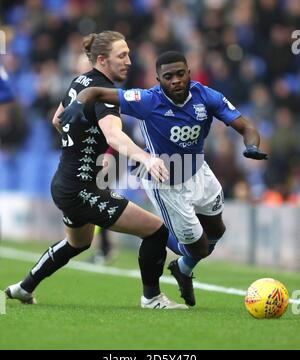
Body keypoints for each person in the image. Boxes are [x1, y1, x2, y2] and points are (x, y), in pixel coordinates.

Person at [58, 50, 268, 307]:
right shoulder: (146, 100)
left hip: (199, 172)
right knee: (198, 248)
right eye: (168, 77)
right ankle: (156, 233)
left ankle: (182, 270)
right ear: (159, 79)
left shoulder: (207, 96)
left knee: (217, 231)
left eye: (181, 74)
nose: (176, 80)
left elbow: (246, 127)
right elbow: (95, 92)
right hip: (165, 179)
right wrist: (78, 104)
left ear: (189, 73)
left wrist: (252, 146)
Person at [4, 32, 188, 310]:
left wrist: (85, 146)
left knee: (77, 243)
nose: (129, 60)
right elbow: (114, 136)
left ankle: (23, 287)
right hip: (81, 188)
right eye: (122, 55)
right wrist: (146, 158)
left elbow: (57, 119)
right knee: (155, 230)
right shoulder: (104, 93)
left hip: (65, 182)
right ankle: (152, 298)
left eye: (128, 53)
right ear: (102, 59)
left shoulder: (80, 81)